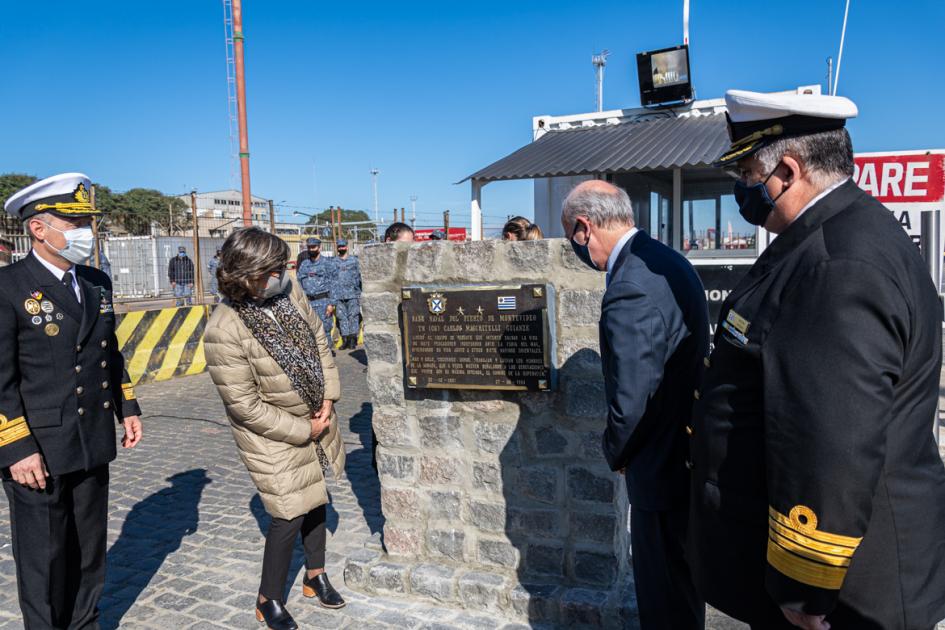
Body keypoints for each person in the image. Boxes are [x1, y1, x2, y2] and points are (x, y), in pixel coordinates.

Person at [688, 90, 945, 629]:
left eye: (747, 174)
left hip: (846, 589)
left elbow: (831, 438)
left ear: (786, 170)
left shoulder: (835, 265)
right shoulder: (839, 234)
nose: (742, 190)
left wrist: (803, 587)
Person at [561, 180, 707, 629]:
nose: (577, 250)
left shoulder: (630, 286)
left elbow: (632, 398)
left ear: (585, 227)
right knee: (682, 590)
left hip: (660, 467)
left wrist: (617, 452)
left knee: (664, 596)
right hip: (684, 455)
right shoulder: (665, 260)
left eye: (572, 239)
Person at [0, 173, 143, 628]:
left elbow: (108, 350)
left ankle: (85, 623)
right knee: (44, 558)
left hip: (90, 439)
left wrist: (128, 405)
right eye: (74, 222)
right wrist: (16, 447)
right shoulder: (8, 287)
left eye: (87, 222)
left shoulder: (96, 281)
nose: (86, 233)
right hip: (38, 448)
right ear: (38, 229)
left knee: (88, 550)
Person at [204, 227, 346, 630]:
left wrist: (327, 400)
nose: (282, 274)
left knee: (317, 496)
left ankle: (314, 575)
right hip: (274, 433)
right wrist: (305, 429)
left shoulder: (289, 290)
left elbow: (320, 338)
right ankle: (268, 598)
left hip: (316, 413)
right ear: (248, 273)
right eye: (273, 269)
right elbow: (245, 405)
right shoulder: (223, 328)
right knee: (287, 514)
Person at [297, 237, 337, 340]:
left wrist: (331, 304)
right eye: (309, 247)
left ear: (319, 248)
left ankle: (327, 354)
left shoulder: (328, 264)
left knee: (325, 331)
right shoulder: (304, 264)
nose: (311, 249)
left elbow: (334, 284)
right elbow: (299, 283)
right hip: (308, 303)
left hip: (323, 302)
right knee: (310, 331)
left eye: (313, 247)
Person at [333, 238, 362, 350]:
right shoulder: (333, 262)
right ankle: (345, 339)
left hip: (353, 294)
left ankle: (352, 340)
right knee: (341, 317)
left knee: (353, 316)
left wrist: (359, 292)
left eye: (343, 246)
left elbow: (360, 277)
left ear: (347, 247)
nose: (341, 248)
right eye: (339, 247)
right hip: (338, 295)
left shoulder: (354, 261)